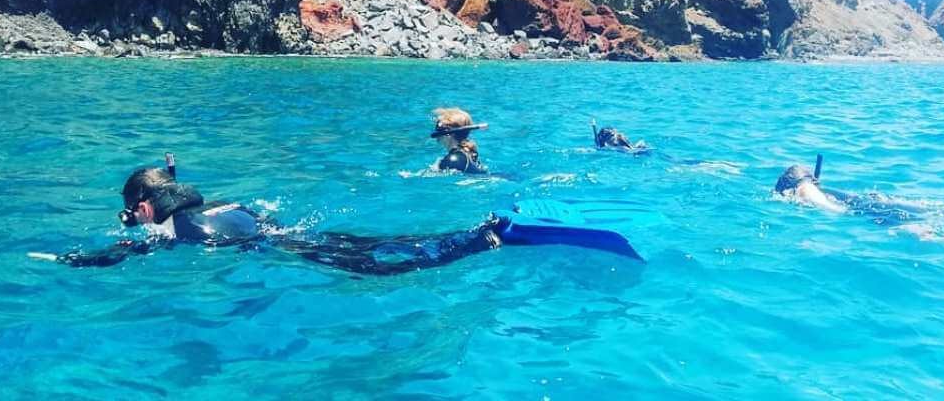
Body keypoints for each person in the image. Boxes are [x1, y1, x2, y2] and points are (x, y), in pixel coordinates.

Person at [34, 159, 642, 272]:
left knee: (388, 267)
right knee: (390, 243)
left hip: (284, 253)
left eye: (130, 210)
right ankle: (484, 231)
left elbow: (114, 256)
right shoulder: (224, 204)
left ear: (142, 206)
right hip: (289, 234)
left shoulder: (166, 231)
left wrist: (59, 258)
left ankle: (493, 237)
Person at [773, 156, 917, 225]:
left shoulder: (804, 189)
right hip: (875, 204)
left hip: (870, 211)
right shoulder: (815, 187)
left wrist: (845, 216)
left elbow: (832, 208)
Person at [431, 107, 488, 174]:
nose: (437, 136)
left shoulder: (453, 160)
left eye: (439, 130)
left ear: (448, 134)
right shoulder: (469, 154)